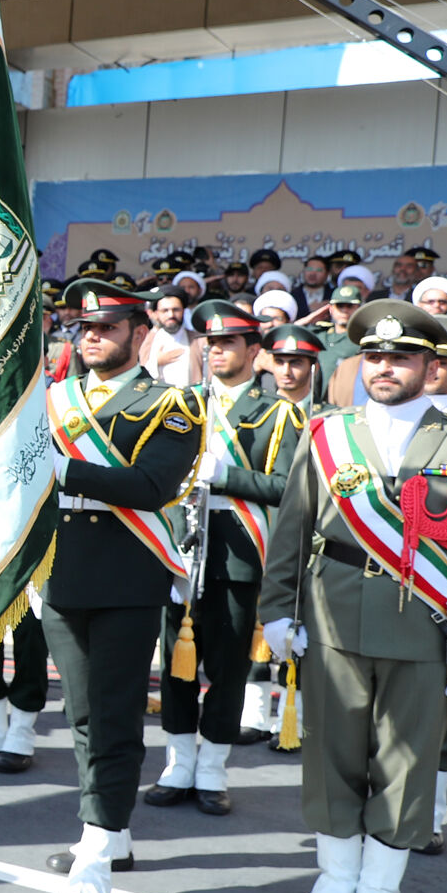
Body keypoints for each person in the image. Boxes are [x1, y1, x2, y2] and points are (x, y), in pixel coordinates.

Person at [258, 303, 447, 893]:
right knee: (331, 754)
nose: (385, 368)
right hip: (332, 618)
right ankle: (335, 880)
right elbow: (292, 527)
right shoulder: (325, 433)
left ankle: (380, 891)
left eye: (401, 357)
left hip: (423, 627)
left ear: (432, 367)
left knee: (405, 763)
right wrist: (277, 610)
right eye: (374, 356)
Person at [39, 279, 205, 893]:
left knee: (113, 715)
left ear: (139, 333)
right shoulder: (54, 400)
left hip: (127, 573)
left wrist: (66, 471)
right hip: (62, 570)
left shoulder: (172, 402)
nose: (91, 336)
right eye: (84, 327)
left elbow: (151, 484)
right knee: (81, 713)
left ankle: (97, 865)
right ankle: (109, 829)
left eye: (105, 326)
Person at [142, 302, 301, 817]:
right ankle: (177, 764)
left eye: (228, 343)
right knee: (177, 668)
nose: (216, 352)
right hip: (181, 549)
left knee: (228, 669)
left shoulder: (278, 413)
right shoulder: (182, 402)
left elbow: (288, 488)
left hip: (237, 553)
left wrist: (224, 475)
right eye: (211, 344)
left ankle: (212, 769)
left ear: (255, 353)